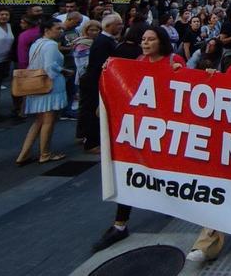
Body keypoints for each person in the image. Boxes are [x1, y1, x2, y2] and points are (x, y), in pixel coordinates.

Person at [93, 26, 185, 253]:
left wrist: (180, 73)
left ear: (161, 42)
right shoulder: (137, 61)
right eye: (143, 39)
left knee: (166, 172)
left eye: (151, 39)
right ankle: (120, 224)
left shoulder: (175, 60)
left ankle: (175, 204)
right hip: (139, 130)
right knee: (131, 174)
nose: (145, 43)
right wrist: (110, 74)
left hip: (165, 130)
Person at [15, 19, 70, 165]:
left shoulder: (37, 43)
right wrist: (63, 70)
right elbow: (50, 67)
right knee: (48, 121)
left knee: (39, 121)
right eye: (58, 28)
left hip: (37, 85)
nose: (61, 31)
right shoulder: (51, 45)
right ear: (47, 29)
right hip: (50, 86)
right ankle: (45, 153)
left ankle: (24, 154)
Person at [78, 14, 123, 153]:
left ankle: (85, 136)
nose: (121, 27)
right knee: (93, 112)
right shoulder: (103, 42)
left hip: (95, 81)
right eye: (118, 24)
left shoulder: (105, 40)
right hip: (95, 82)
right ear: (109, 26)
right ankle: (91, 143)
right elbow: (100, 65)